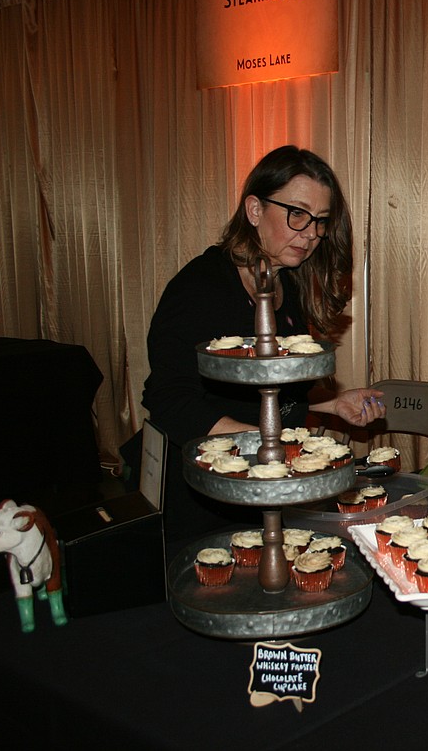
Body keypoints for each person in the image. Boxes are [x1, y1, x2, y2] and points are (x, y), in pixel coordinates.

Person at [133, 145, 385, 548]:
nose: (311, 234)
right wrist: (273, 448)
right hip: (203, 498)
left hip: (266, 488)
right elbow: (171, 402)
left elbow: (263, 399)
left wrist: (329, 405)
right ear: (254, 210)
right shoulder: (199, 288)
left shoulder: (287, 284)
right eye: (297, 214)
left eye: (320, 221)